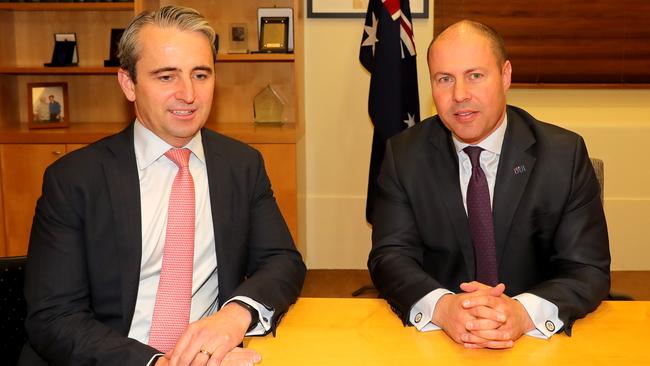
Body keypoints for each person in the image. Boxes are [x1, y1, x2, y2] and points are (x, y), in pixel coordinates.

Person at [20, 5, 305, 366]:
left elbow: (282, 261)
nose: (188, 94)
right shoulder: (75, 179)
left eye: (201, 75)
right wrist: (159, 364)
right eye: (166, 77)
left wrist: (235, 315)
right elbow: (54, 317)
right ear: (128, 83)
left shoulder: (241, 165)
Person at [368, 20, 610, 349]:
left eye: (475, 76)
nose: (459, 95)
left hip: (537, 342)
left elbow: (588, 269)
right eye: (444, 79)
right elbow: (390, 257)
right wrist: (442, 307)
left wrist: (523, 312)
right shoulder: (403, 155)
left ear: (506, 75)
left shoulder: (563, 155)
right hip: (441, 341)